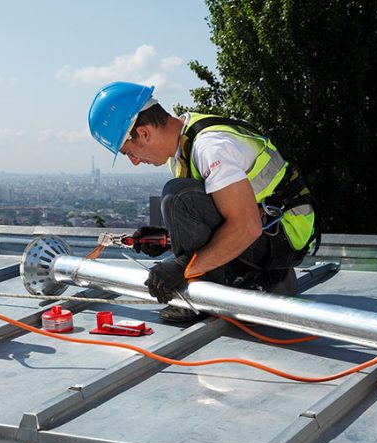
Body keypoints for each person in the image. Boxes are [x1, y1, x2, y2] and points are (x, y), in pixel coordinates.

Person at [88, 82, 318, 322]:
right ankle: (252, 277)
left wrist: (184, 267)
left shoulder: (210, 147)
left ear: (144, 133)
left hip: (282, 237)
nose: (134, 161)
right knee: (178, 198)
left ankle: (204, 294)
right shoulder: (183, 147)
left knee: (179, 197)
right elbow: (219, 210)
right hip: (269, 231)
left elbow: (247, 227)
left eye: (129, 152)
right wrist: (168, 238)